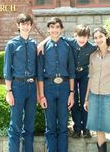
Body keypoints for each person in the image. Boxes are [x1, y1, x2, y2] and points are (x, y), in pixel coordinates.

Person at [38, 25, 110, 139]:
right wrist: (42, 43)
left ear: (88, 37)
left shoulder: (92, 47)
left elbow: (105, 46)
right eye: (79, 36)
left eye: (85, 37)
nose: (82, 39)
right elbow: (54, 36)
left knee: (84, 101)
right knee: (73, 102)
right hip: (71, 75)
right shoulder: (70, 42)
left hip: (84, 75)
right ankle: (77, 128)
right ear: (75, 36)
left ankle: (86, 129)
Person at [84, 27, 110, 152]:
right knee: (98, 129)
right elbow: (90, 78)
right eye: (95, 38)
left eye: (100, 36)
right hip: (94, 96)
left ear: (106, 36)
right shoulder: (92, 56)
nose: (98, 40)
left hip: (109, 96)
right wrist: (86, 99)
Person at [37, 17, 75, 152]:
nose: (55, 30)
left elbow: (71, 72)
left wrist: (71, 93)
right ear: (48, 29)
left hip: (64, 88)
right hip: (49, 88)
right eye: (52, 27)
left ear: (62, 29)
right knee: (50, 126)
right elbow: (39, 74)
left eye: (57, 27)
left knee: (63, 126)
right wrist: (41, 95)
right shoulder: (42, 48)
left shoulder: (67, 46)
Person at [3, 13, 38, 152]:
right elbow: (7, 70)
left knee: (29, 125)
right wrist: (9, 92)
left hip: (31, 87)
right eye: (23, 24)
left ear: (31, 26)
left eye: (28, 24)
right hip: (17, 87)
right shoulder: (11, 45)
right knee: (16, 125)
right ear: (18, 25)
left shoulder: (34, 44)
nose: (26, 26)